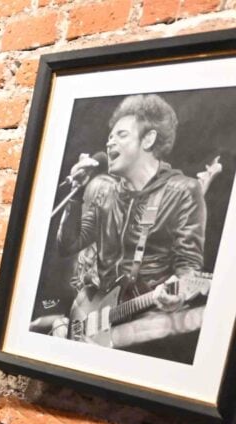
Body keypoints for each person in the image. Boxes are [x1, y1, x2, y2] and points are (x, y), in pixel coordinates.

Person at [37, 94, 210, 352]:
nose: (109, 143)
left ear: (148, 139)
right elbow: (68, 245)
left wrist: (177, 293)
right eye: (109, 137)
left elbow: (188, 267)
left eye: (121, 135)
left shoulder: (182, 190)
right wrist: (75, 193)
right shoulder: (102, 191)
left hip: (145, 322)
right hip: (91, 311)